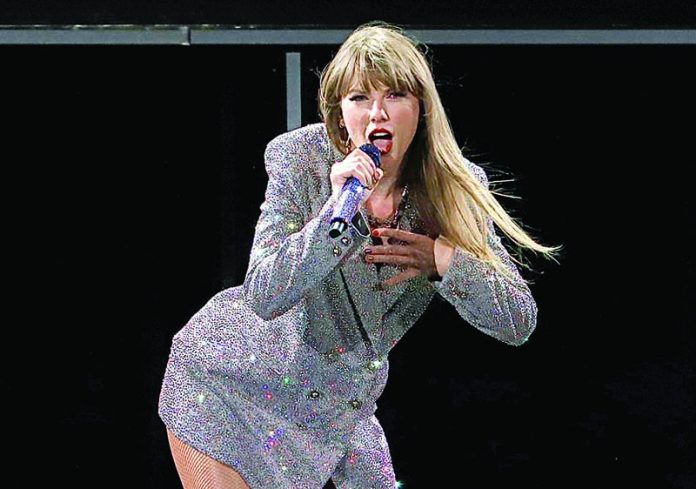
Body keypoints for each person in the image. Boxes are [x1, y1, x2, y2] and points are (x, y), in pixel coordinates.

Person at [158, 21, 562, 489]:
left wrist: (444, 261)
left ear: (422, 108)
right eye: (359, 98)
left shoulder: (453, 189)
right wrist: (335, 213)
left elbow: (517, 321)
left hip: (340, 410)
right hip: (230, 383)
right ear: (339, 112)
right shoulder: (301, 159)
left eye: (395, 95)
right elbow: (263, 295)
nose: (377, 114)